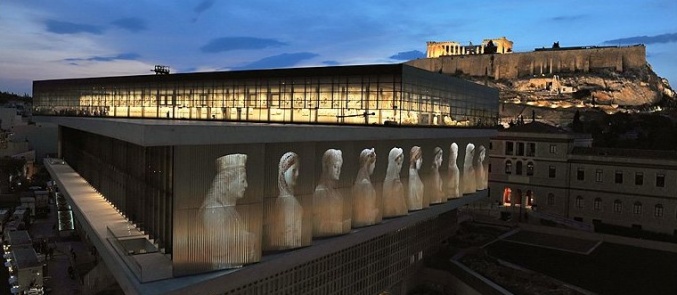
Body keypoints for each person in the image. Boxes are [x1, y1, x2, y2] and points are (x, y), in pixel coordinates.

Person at [199, 154, 259, 270]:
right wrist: (245, 239)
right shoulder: (215, 211)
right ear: (226, 183)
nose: (246, 185)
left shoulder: (230, 211)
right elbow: (220, 250)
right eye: (242, 180)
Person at [264, 152, 305, 250]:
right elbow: (287, 233)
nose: (297, 174)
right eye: (293, 170)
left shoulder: (287, 198)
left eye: (298, 170)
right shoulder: (285, 200)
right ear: (283, 172)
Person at [313, 149, 350, 237]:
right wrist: (341, 226)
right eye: (335, 166)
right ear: (326, 167)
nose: (338, 171)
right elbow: (317, 227)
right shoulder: (320, 192)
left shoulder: (337, 194)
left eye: (339, 167)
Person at [352, 148, 379, 227]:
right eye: (374, 163)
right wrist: (376, 212)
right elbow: (366, 211)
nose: (374, 167)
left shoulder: (361, 180)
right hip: (365, 221)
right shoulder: (365, 183)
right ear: (369, 163)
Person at [383, 147, 407, 217]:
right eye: (397, 158)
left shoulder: (397, 178)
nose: (400, 160)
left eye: (400, 157)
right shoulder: (389, 180)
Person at [407, 146, 424, 211]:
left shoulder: (415, 172)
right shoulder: (411, 173)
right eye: (418, 156)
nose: (420, 159)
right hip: (414, 204)